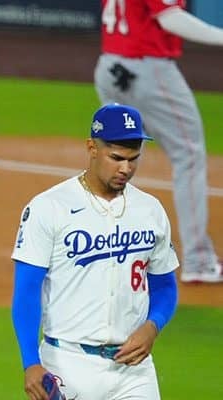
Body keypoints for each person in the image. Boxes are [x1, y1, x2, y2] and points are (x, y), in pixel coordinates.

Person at [11, 103, 180, 400]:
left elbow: (165, 285)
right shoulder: (49, 207)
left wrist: (153, 326)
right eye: (116, 158)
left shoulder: (150, 210)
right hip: (68, 364)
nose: (126, 169)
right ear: (92, 147)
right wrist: (30, 362)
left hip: (135, 372)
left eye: (133, 159)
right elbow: (26, 290)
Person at [94, 0, 223, 283]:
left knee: (116, 156)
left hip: (109, 65)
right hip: (148, 70)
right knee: (188, 156)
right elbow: (170, 18)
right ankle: (199, 261)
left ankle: (102, 250)